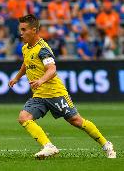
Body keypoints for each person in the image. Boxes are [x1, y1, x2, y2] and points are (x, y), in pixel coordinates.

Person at [8, 14, 116, 159]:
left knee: (76, 121)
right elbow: (26, 63)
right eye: (20, 29)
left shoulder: (43, 49)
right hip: (40, 95)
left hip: (55, 93)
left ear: (34, 30)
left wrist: (40, 80)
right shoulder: (26, 48)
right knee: (24, 117)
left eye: (23, 29)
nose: (20, 33)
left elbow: (52, 70)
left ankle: (106, 144)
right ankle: (48, 146)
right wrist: (17, 77)